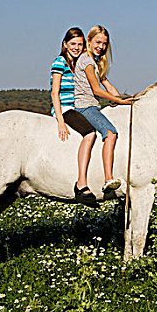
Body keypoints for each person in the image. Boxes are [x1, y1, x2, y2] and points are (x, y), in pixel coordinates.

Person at [74, 25, 133, 193]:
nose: (101, 46)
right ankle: (108, 177)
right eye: (98, 42)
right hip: (85, 106)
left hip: (92, 105)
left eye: (104, 43)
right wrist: (119, 102)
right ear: (89, 41)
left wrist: (123, 99)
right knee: (111, 132)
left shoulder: (96, 61)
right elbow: (96, 89)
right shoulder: (86, 61)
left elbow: (106, 84)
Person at [50, 27, 98, 208]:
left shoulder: (76, 65)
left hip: (77, 107)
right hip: (66, 108)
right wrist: (61, 120)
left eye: (79, 44)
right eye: (73, 44)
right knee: (89, 133)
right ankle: (81, 183)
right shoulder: (60, 62)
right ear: (65, 44)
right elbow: (55, 93)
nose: (76, 48)